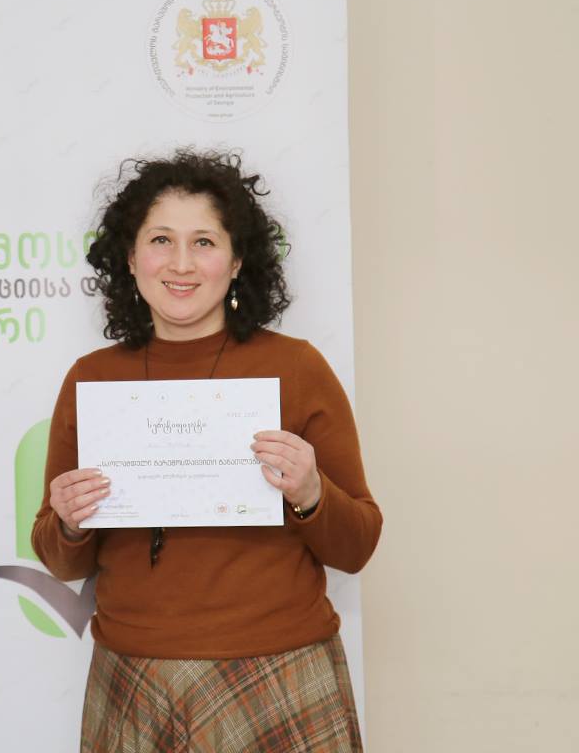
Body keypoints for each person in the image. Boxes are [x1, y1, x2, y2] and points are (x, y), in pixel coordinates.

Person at [31, 150, 382, 752]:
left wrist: (310, 492)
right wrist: (68, 521)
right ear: (130, 258)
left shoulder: (297, 368)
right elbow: (61, 562)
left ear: (237, 260)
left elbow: (358, 547)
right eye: (160, 240)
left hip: (280, 669)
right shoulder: (92, 379)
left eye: (204, 242)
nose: (181, 263)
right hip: (132, 673)